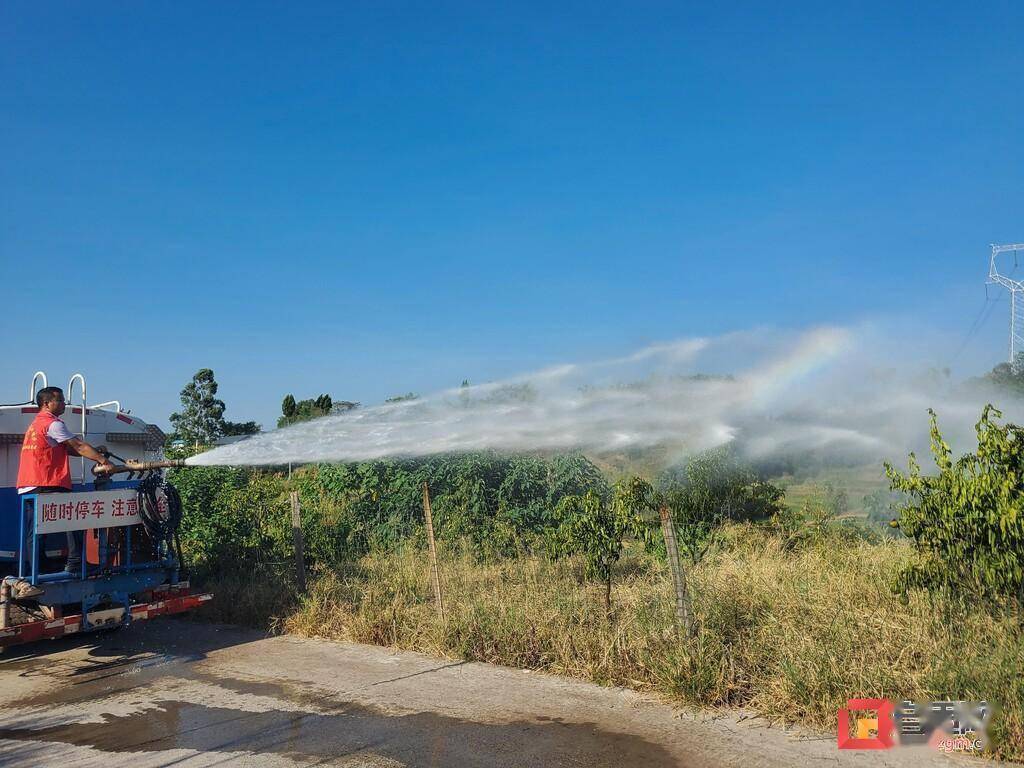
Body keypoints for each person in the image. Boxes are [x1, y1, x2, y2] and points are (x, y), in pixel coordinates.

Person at [16, 386, 115, 574]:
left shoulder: (36, 424)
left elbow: (66, 449)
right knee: (75, 515)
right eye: (59, 400)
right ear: (46, 403)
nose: (64, 404)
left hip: (29, 484)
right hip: (47, 482)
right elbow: (77, 446)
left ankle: (37, 569)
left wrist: (95, 452)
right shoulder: (53, 424)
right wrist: (103, 460)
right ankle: (76, 562)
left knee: (36, 530)